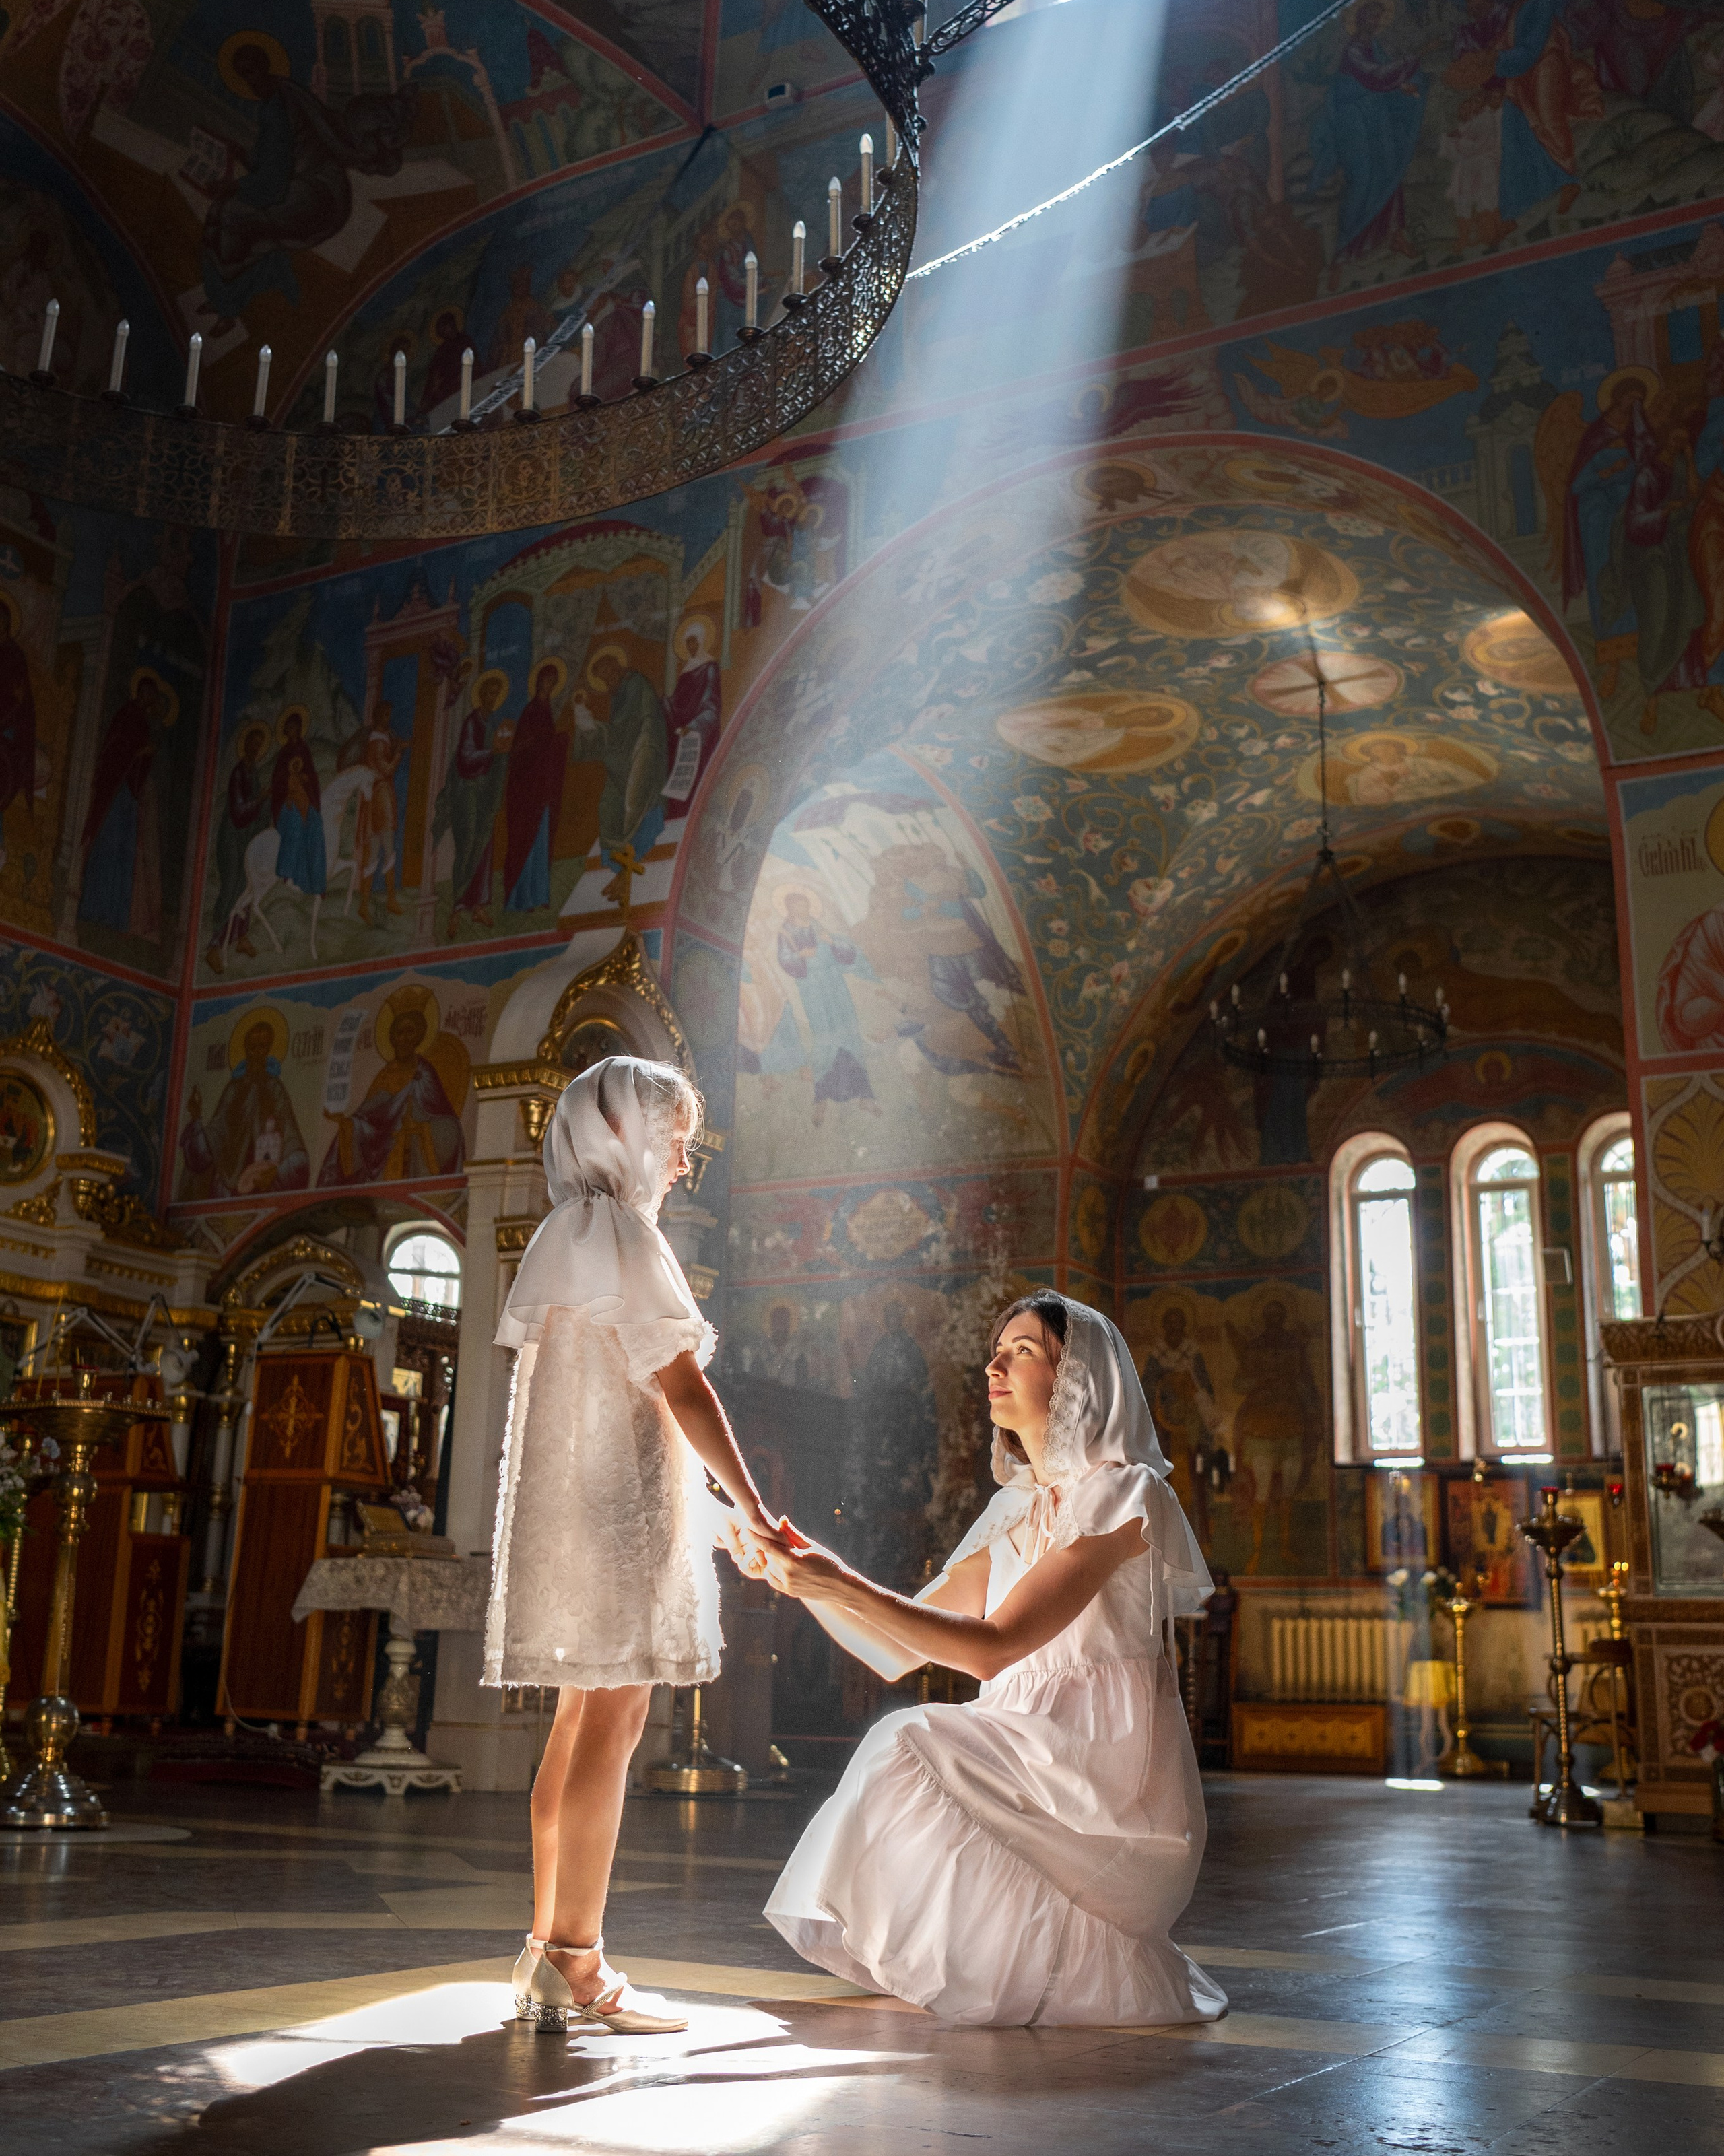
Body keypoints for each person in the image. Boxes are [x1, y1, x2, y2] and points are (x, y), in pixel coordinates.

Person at [755, 1291, 1228, 2029]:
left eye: (1023, 1351)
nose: (994, 1364)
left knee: (906, 1740)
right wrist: (800, 1579)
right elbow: (892, 1647)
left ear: (1077, 1381)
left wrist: (837, 1581)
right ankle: (983, 1964)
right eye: (997, 1349)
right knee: (904, 1741)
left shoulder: (1123, 1494)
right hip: (1023, 1737)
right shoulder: (1010, 1509)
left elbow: (998, 1643)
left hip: (1099, 1758)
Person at [486, 1056, 787, 2035]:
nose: (681, 1154)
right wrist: (750, 1499)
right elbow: (682, 1384)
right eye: (671, 1131)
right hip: (618, 1507)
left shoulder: (566, 1232)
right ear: (621, 1131)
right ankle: (577, 1959)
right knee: (613, 1728)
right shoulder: (627, 1235)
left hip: (570, 1502)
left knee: (578, 1723)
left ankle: (544, 1945)